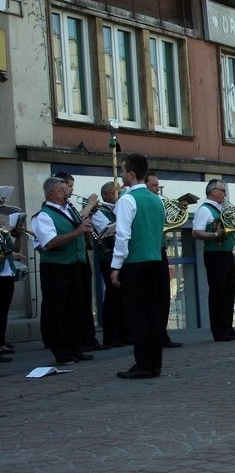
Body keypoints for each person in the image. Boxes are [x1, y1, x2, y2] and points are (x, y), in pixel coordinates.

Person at [110, 153, 167, 379]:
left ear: (131, 174)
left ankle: (143, 363)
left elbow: (122, 235)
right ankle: (155, 364)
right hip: (155, 259)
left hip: (135, 262)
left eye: (123, 171)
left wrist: (116, 265)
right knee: (153, 312)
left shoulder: (127, 199)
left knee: (137, 314)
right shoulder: (157, 199)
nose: (122, 174)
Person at [32, 177, 97, 365]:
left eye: (65, 189)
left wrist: (86, 232)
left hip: (75, 265)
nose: (66, 192)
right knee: (57, 311)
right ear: (50, 194)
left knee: (75, 309)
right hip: (56, 267)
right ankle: (61, 352)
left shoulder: (69, 210)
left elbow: (82, 235)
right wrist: (76, 232)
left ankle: (75, 348)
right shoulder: (43, 215)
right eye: (61, 190)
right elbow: (49, 242)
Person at [52, 171, 106, 352]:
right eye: (68, 187)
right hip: (66, 261)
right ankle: (77, 341)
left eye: (71, 187)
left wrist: (89, 235)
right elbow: (77, 222)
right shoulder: (53, 210)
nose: (70, 190)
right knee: (73, 303)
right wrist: (90, 205)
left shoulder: (68, 207)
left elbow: (81, 224)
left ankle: (86, 338)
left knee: (83, 300)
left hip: (80, 255)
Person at [192, 180, 235, 341]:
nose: (225, 194)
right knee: (218, 292)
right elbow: (196, 233)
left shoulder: (221, 209)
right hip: (214, 254)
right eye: (222, 190)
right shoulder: (204, 210)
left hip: (226, 253)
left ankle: (228, 328)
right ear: (213, 192)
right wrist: (216, 235)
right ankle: (219, 331)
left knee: (229, 291)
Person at [144, 172, 182, 348]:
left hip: (160, 251)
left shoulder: (158, 203)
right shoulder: (139, 202)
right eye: (154, 186)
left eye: (158, 186)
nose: (157, 189)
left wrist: (181, 209)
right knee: (151, 298)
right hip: (146, 254)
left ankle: (162, 335)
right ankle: (153, 337)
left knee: (164, 297)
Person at [91, 181, 129, 347]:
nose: (118, 196)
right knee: (113, 296)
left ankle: (124, 333)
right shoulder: (99, 212)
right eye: (115, 193)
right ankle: (111, 336)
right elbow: (104, 230)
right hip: (108, 257)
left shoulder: (117, 208)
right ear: (106, 195)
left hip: (121, 256)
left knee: (123, 297)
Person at [1, 211, 25, 362]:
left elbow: (14, 249)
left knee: (3, 310)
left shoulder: (2, 233)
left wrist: (19, 234)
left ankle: (1, 342)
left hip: (7, 273)